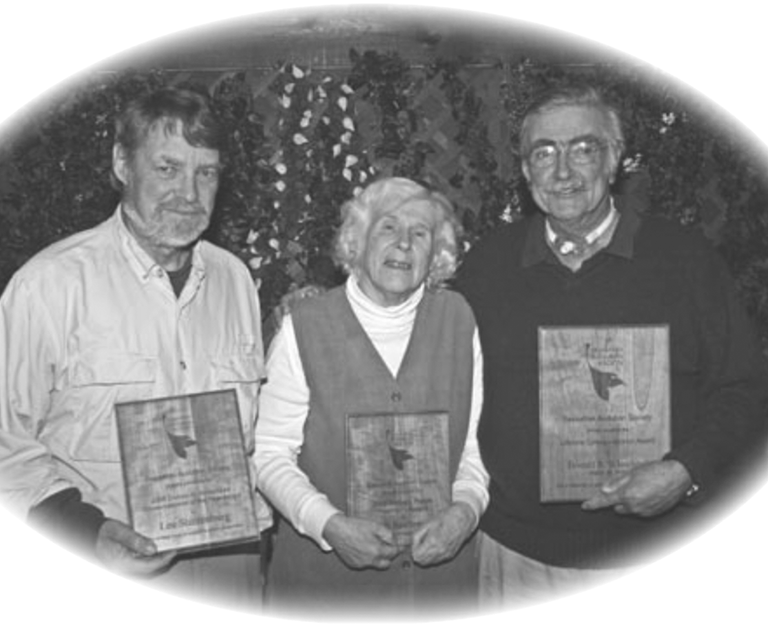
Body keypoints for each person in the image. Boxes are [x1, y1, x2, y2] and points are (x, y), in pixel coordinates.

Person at [455, 82, 768, 607]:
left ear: (615, 161)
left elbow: (744, 387)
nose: (562, 171)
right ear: (526, 172)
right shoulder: (488, 266)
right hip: (518, 556)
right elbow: (428, 353)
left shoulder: (685, 260)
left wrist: (685, 470)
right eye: (543, 153)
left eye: (583, 148)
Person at [0, 87, 266, 611]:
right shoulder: (50, 285)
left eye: (206, 172)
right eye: (167, 168)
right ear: (123, 164)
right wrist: (85, 532)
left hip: (228, 567)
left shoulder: (235, 280)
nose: (188, 193)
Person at [254, 177, 488, 619]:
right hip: (326, 589)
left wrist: (465, 513)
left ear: (435, 255)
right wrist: (328, 524)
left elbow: (476, 447)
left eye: (420, 234)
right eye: (388, 228)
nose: (403, 244)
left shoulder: (459, 320)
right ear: (357, 241)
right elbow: (268, 453)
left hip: (439, 591)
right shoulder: (303, 327)